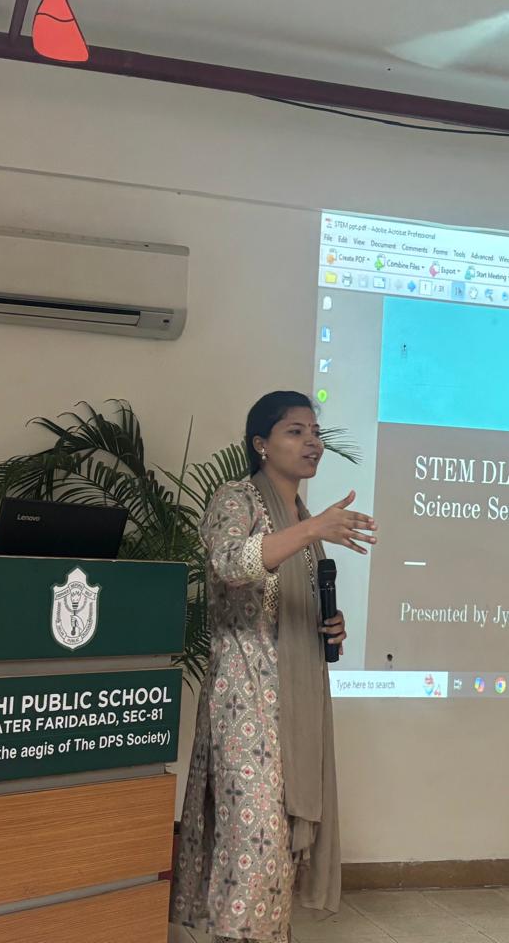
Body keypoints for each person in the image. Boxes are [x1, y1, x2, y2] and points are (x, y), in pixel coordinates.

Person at [175, 391, 377, 943]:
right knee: (251, 840)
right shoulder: (236, 499)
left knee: (279, 843)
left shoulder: (303, 519)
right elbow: (230, 564)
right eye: (296, 431)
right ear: (261, 443)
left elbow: (291, 605)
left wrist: (329, 624)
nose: (313, 442)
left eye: (316, 432)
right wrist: (311, 531)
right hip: (245, 700)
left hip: (295, 705)